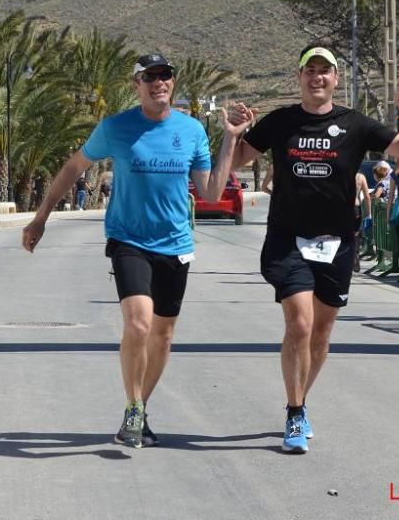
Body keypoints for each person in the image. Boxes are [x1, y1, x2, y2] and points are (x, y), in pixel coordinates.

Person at [22, 53, 253, 449]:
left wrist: (231, 139)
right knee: (140, 323)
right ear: (136, 85)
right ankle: (132, 406)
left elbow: (213, 192)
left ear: (173, 83)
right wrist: (41, 217)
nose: (158, 82)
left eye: (164, 76)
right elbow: (72, 168)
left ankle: (140, 408)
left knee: (162, 335)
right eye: (149, 76)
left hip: (175, 244)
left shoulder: (192, 130)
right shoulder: (116, 128)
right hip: (128, 240)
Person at [230, 45, 399, 453]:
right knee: (299, 323)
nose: (317, 77)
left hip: (337, 242)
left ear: (336, 79)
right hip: (287, 238)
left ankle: (301, 400)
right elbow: (240, 161)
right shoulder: (281, 121)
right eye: (309, 70)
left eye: (325, 71)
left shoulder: (355, 124)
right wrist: (233, 134)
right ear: (299, 77)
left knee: (321, 332)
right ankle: (295, 410)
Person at [353, 171, 372, 273]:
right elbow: (367, 195)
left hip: (342, 207)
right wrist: (369, 213)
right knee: (356, 233)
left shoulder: (340, 172)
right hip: (355, 208)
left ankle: (349, 257)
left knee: (343, 234)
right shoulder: (360, 177)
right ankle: (355, 254)